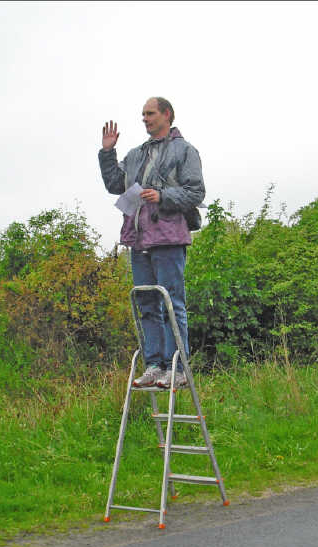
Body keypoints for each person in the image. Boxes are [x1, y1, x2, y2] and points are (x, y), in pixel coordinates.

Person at [98, 97, 205, 388]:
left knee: (171, 303)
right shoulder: (136, 154)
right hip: (139, 237)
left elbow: (196, 192)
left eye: (150, 113)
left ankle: (177, 369)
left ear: (166, 115)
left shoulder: (185, 150)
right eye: (143, 114)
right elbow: (114, 184)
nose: (145, 118)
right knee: (146, 303)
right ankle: (155, 366)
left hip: (169, 237)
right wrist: (107, 152)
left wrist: (162, 196)